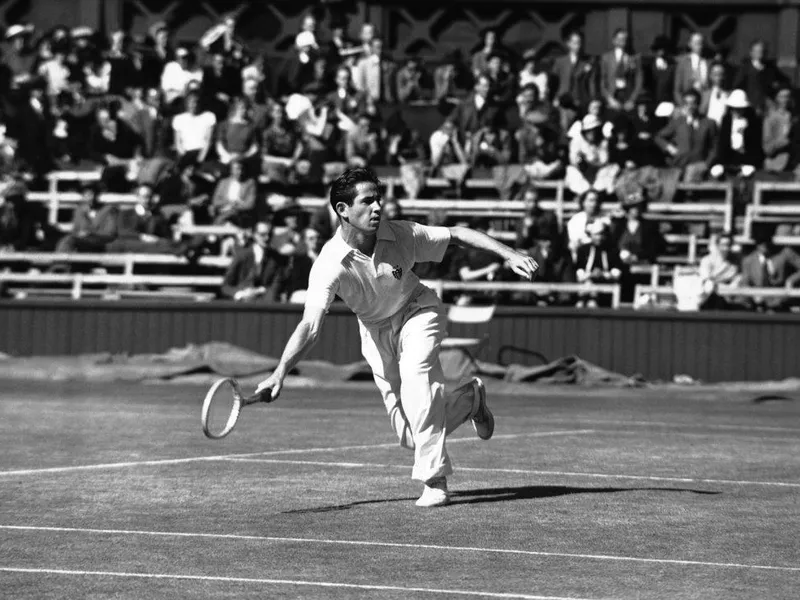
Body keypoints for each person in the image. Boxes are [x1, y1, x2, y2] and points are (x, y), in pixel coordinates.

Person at [254, 167, 538, 508]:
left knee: (418, 377)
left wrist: (509, 253)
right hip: (375, 333)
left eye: (379, 199)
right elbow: (310, 326)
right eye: (367, 201)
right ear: (343, 210)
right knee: (409, 435)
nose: (378, 207)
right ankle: (470, 400)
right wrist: (280, 371)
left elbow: (458, 233)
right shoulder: (329, 264)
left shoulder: (403, 233)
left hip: (418, 310)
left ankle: (434, 481)